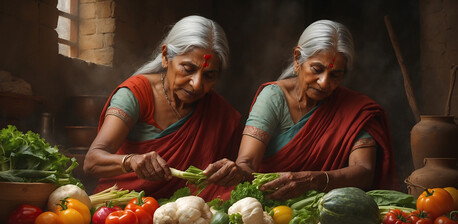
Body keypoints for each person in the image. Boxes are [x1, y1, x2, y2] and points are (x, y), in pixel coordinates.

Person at [204, 19, 398, 200]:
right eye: (317, 69)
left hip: (325, 209)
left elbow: (364, 171)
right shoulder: (274, 97)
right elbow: (247, 162)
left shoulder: (355, 111)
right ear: (298, 59)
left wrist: (313, 180)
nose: (324, 83)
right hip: (270, 203)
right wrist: (236, 171)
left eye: (335, 75)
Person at [83, 15, 242, 201]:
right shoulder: (136, 94)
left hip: (185, 213)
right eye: (188, 69)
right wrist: (131, 161)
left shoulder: (218, 111)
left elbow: (245, 170)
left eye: (209, 76)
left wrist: (232, 171)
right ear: (166, 57)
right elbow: (92, 162)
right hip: (127, 209)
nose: (197, 85)